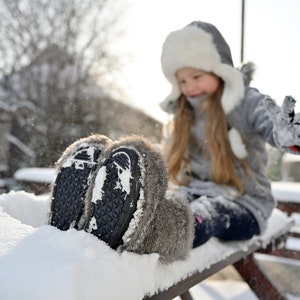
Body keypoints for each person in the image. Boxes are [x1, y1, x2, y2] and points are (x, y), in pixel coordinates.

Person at [48, 21, 300, 264]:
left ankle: (149, 233)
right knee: (174, 199)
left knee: (209, 212)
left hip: (244, 203)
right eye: (182, 81)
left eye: (197, 76)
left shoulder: (245, 101)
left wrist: (287, 136)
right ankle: (94, 209)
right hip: (192, 191)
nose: (190, 87)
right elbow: (170, 156)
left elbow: (270, 123)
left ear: (220, 70)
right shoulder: (183, 113)